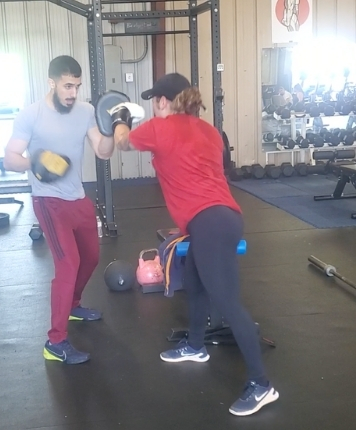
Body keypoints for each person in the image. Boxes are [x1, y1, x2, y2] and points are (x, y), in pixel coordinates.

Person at [108, 73, 279, 416]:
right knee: (198, 283)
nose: (153, 106)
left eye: (153, 101)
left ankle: (262, 385)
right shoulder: (211, 132)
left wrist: (119, 117)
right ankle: (196, 346)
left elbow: (122, 142)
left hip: (210, 222)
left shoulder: (160, 128)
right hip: (219, 218)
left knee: (229, 304)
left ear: (161, 101)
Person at [3, 55, 115, 365]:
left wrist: (116, 128)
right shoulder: (31, 115)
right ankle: (55, 342)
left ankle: (74, 305)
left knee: (91, 258)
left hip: (77, 198)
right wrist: (34, 162)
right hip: (47, 201)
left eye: (77, 87)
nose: (72, 93)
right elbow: (10, 158)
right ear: (51, 82)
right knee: (68, 264)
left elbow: (102, 152)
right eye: (67, 86)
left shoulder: (86, 112)